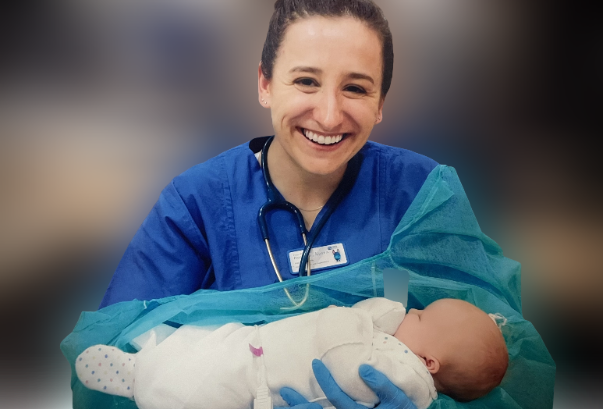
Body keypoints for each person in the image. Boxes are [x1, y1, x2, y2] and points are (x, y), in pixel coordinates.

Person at [96, 1, 488, 408]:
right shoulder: (197, 204)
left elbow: (487, 354)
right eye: (306, 81)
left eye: (355, 88)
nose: (329, 114)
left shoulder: (417, 194)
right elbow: (115, 359)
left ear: (380, 103)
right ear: (265, 84)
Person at [76, 298, 508, 409]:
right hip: (255, 343)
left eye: (422, 315)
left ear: (429, 362)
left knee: (207, 386)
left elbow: (343, 355)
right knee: (207, 341)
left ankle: (143, 381)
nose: (412, 308)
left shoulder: (405, 378)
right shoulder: (199, 192)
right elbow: (378, 311)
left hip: (257, 380)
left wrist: (354, 318)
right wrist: (381, 315)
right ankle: (150, 355)